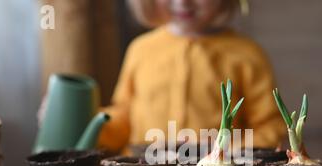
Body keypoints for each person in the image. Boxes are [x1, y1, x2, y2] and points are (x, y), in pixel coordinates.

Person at [98, 0, 286, 154]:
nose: (182, 2)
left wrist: (226, 149)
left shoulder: (247, 55)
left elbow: (269, 127)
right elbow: (124, 115)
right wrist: (92, 125)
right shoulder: (140, 50)